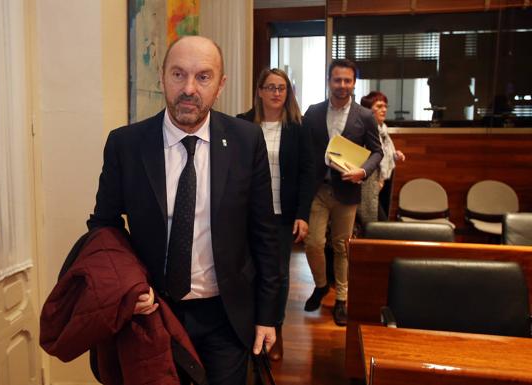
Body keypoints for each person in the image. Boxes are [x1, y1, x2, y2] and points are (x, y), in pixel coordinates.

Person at [87, 36, 280, 385]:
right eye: (178, 74)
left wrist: (268, 316)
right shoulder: (126, 144)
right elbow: (104, 226)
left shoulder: (245, 140)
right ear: (162, 78)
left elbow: (264, 234)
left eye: (203, 77)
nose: (189, 88)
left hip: (226, 315)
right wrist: (127, 288)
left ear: (220, 86)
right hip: (153, 314)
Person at [237, 68, 315, 360]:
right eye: (270, 87)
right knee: (248, 269)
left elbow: (309, 173)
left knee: (278, 273)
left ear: (288, 93)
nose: (276, 93)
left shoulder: (298, 126)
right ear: (259, 91)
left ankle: (274, 325)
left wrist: (303, 214)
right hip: (248, 212)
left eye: (281, 88)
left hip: (283, 214)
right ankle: (250, 320)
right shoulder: (242, 125)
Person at [302, 59, 383, 326]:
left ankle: (342, 300)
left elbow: (377, 152)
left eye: (347, 80)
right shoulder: (312, 113)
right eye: (337, 80)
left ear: (354, 83)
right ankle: (321, 285)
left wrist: (363, 172)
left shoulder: (365, 116)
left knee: (341, 247)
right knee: (313, 243)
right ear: (329, 81)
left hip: (347, 192)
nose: (342, 85)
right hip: (318, 190)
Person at [356, 91, 406, 226]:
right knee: (375, 222)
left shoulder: (383, 129)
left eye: (385, 106)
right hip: (370, 182)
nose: (384, 110)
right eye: (379, 106)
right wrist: (379, 179)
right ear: (368, 110)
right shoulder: (363, 130)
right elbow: (369, 156)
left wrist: (396, 155)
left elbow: (386, 152)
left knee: (381, 220)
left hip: (384, 180)